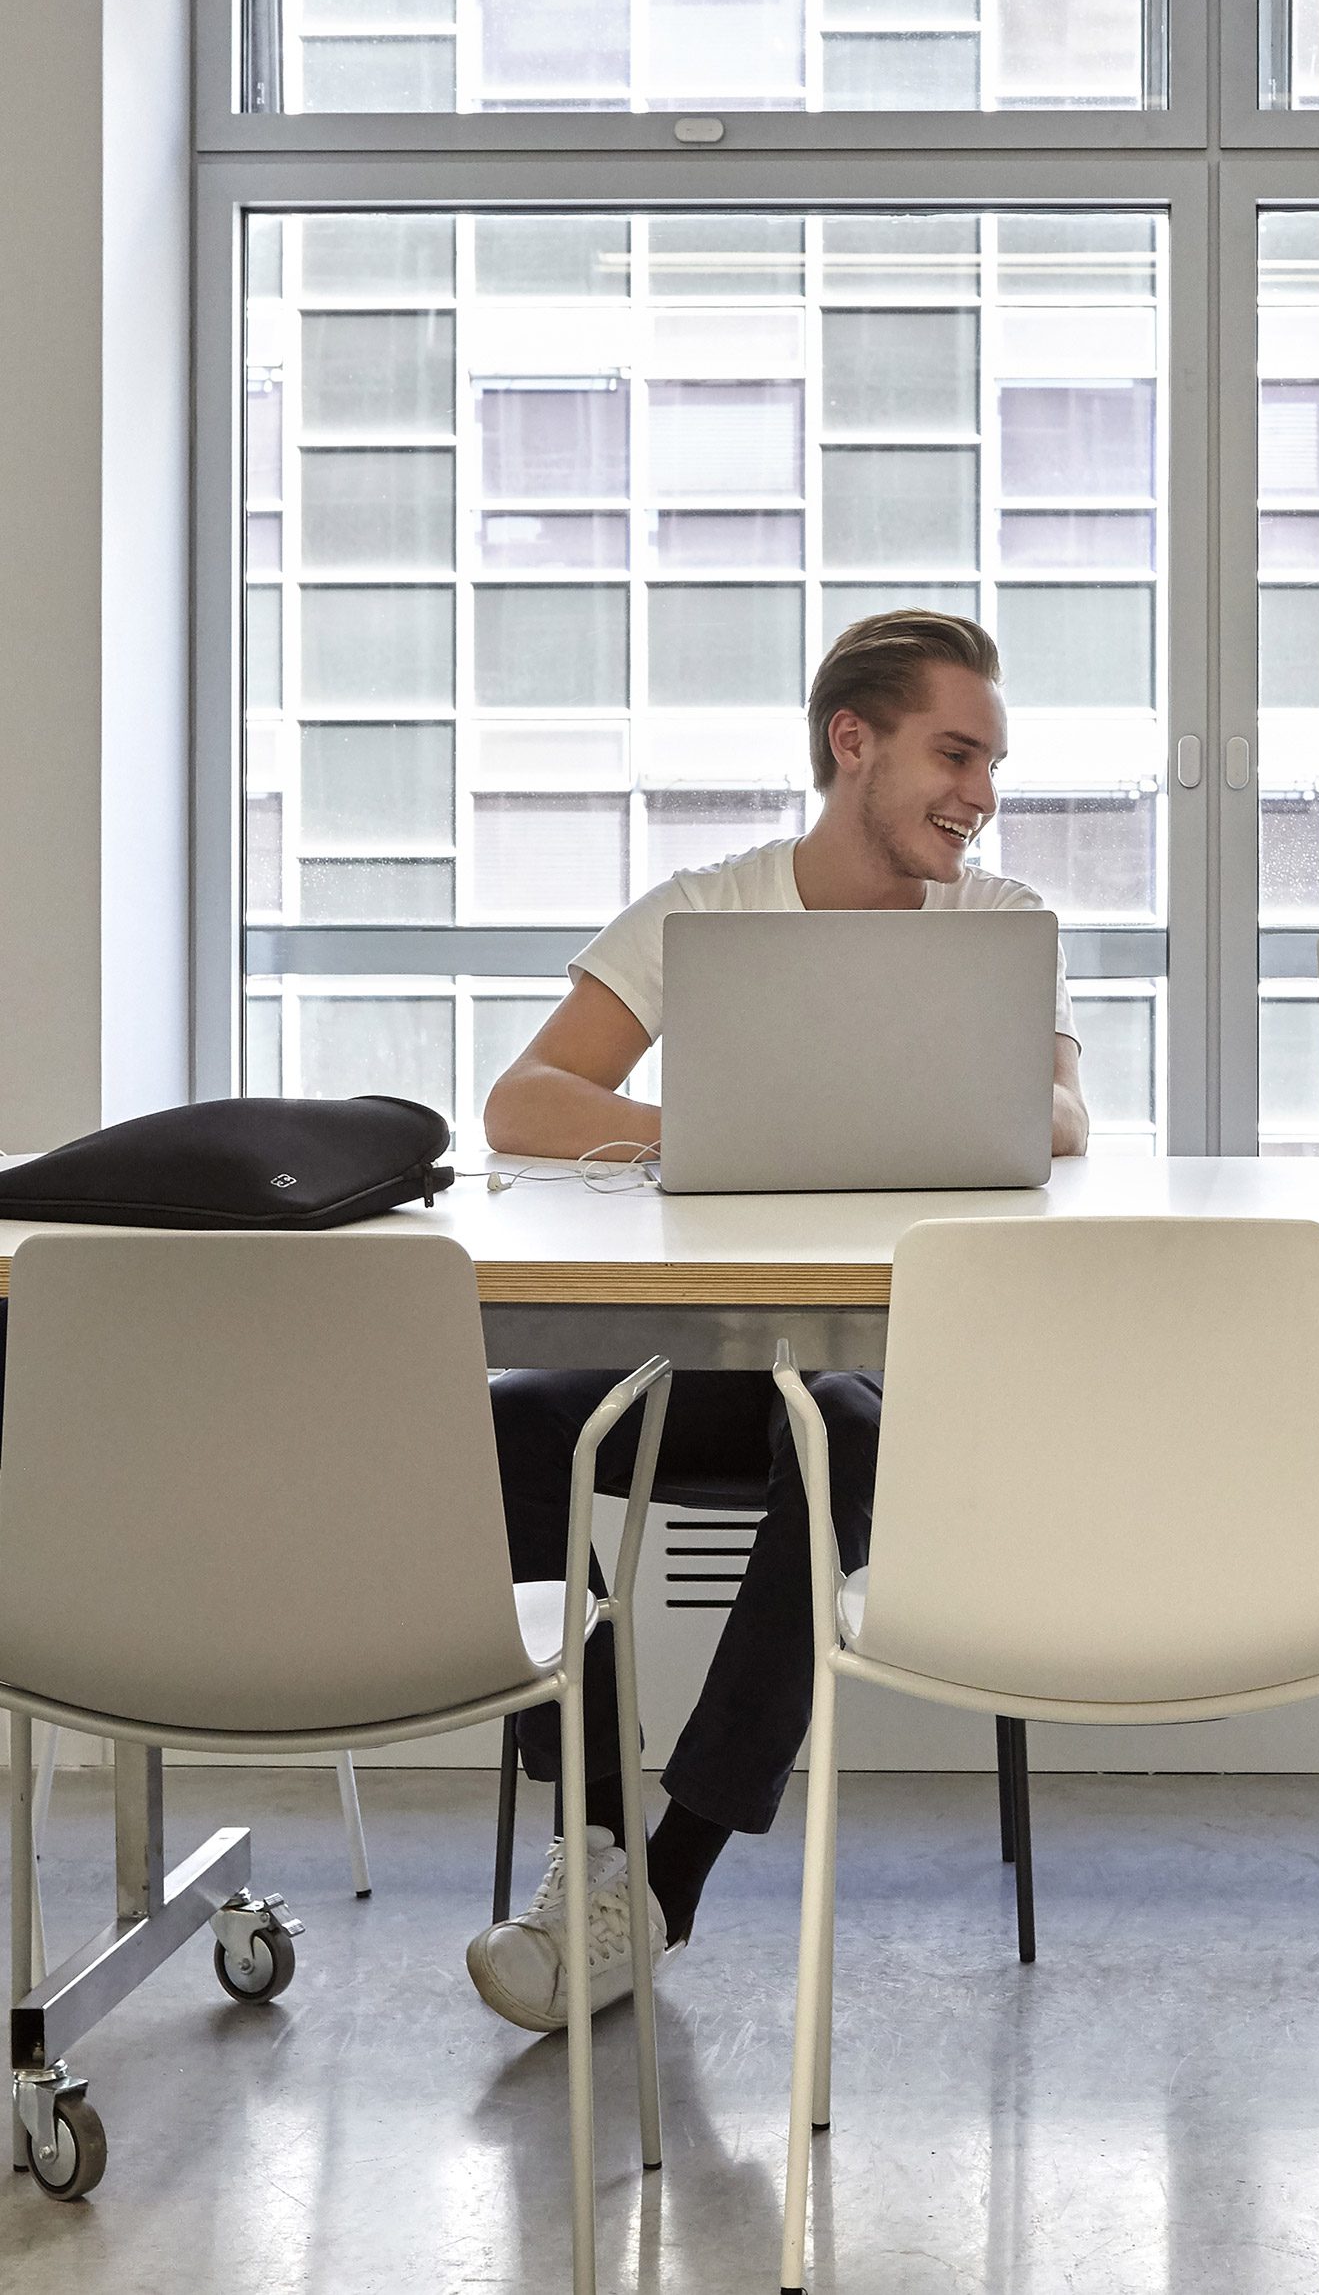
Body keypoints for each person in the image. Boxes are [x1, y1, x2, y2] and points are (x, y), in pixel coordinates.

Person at [464, 609, 1089, 2034]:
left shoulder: (998, 926)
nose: (980, 795)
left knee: (843, 1438)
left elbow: (1061, 1115)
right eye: (956, 753)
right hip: (731, 1366)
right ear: (851, 743)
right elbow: (525, 1104)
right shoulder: (711, 908)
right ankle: (601, 1833)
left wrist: (899, 1115)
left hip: (915, 1383)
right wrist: (716, 1121)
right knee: (509, 1424)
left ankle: (665, 1885)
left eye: (991, 762)